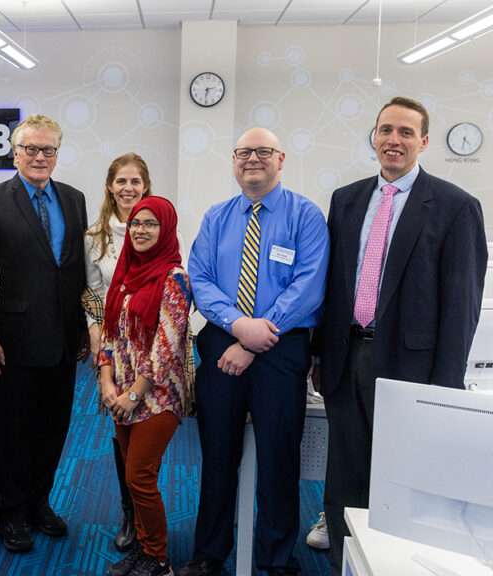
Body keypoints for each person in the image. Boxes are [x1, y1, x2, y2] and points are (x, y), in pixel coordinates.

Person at [315, 96, 486, 574]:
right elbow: (332, 285)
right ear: (373, 137)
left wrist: (445, 387)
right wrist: (319, 355)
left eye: (406, 133)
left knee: (401, 482)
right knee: (344, 473)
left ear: (424, 142)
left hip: (413, 367)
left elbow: (462, 306)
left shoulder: (456, 207)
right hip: (345, 356)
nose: (394, 140)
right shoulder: (346, 199)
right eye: (386, 130)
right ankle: (341, 563)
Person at [181, 127, 329, 576]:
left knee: (278, 456)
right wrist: (237, 325)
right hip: (221, 343)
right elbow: (200, 279)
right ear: (233, 161)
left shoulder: (305, 216)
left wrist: (254, 336)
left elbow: (309, 285)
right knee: (218, 454)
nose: (253, 159)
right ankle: (209, 553)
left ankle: (276, 558)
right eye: (244, 152)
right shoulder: (217, 217)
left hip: (282, 350)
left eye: (263, 152)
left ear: (281, 160)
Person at [0, 113, 88, 553]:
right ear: (15, 153)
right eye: (31, 149)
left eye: (48, 150)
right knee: (16, 432)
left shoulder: (74, 200)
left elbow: (73, 268)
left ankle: (39, 501)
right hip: (13, 342)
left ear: (58, 153)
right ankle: (11, 512)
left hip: (61, 341)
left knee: (54, 429)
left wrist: (81, 329)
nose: (40, 157)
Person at [99, 196, 194, 576]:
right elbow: (110, 333)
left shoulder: (174, 278)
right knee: (131, 477)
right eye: (136, 223)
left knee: (140, 476)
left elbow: (167, 347)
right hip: (120, 394)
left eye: (151, 224)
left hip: (158, 396)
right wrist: (107, 382)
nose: (140, 230)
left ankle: (158, 559)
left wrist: (134, 394)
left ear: (166, 229)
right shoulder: (124, 276)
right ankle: (143, 547)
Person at [84, 152, 154, 552]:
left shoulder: (157, 227)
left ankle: (147, 511)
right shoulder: (95, 237)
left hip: (149, 347)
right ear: (110, 186)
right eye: (121, 181)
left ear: (146, 186)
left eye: (135, 181)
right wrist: (95, 333)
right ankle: (130, 514)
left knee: (149, 430)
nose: (128, 188)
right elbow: (92, 290)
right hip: (112, 346)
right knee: (120, 426)